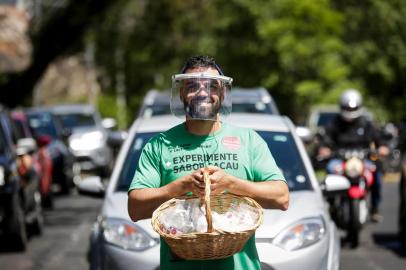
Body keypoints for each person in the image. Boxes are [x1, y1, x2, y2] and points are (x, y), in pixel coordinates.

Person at [127, 55, 289, 270]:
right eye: (193, 86)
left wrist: (232, 184)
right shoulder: (159, 145)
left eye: (212, 86)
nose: (203, 93)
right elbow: (135, 208)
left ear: (222, 92)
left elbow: (282, 197)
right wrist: (180, 187)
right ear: (182, 92)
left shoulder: (248, 140)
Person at [318, 89, 389, 222]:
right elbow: (325, 139)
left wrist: (383, 147)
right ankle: (332, 205)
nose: (350, 112)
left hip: (363, 161)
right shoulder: (335, 123)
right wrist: (324, 149)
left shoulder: (366, 124)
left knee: (376, 175)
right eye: (347, 108)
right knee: (329, 172)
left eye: (353, 108)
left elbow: (379, 138)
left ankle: (375, 208)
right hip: (339, 160)